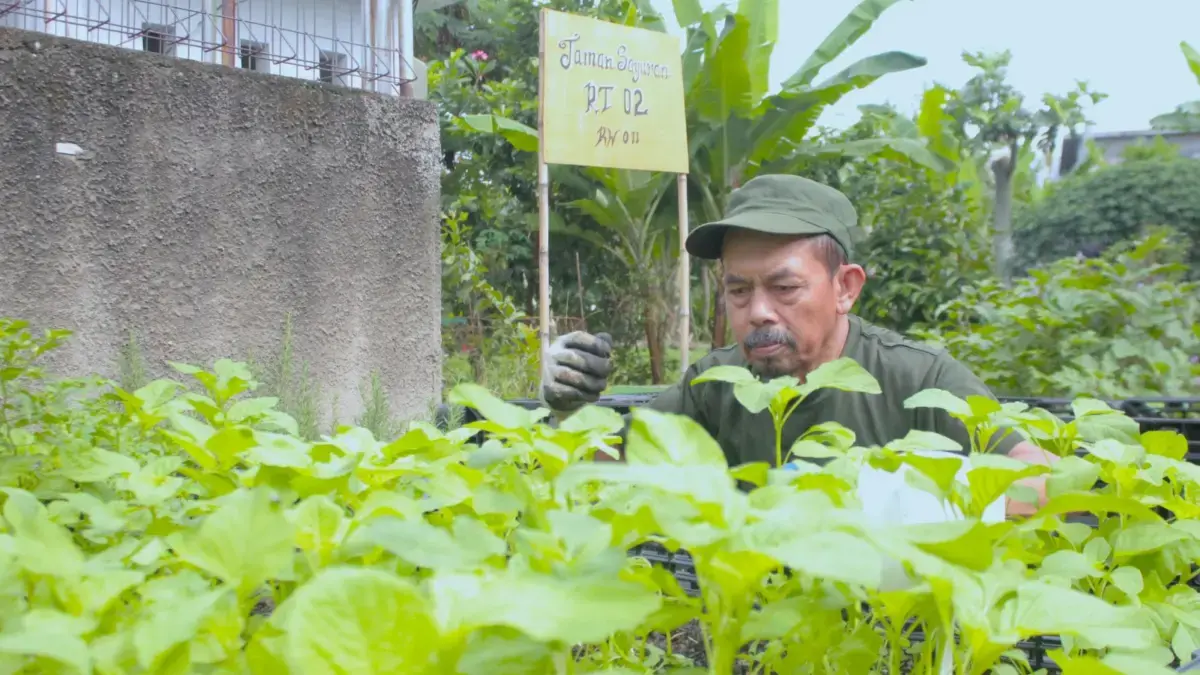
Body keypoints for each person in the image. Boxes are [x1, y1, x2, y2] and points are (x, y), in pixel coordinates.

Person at [540, 174, 1056, 517]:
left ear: (845, 287)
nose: (758, 311)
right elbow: (605, 463)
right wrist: (567, 409)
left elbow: (1045, 481)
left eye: (784, 288)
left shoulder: (919, 379)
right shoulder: (717, 384)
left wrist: (885, 505)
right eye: (738, 291)